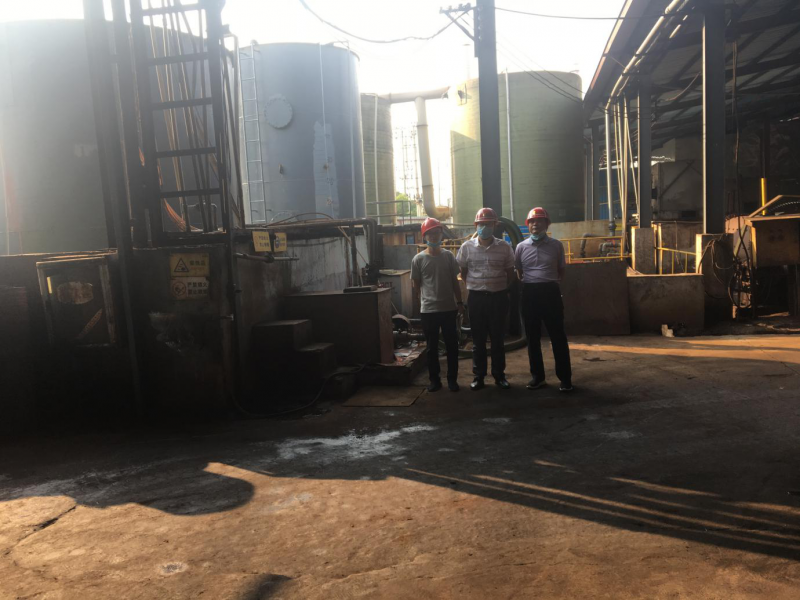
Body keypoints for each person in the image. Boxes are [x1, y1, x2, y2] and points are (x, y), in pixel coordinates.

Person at [456, 207, 515, 391]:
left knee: (498, 340)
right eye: (481, 224)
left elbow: (510, 273)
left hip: (498, 299)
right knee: (478, 340)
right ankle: (478, 376)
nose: (484, 227)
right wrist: (477, 285)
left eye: (488, 224)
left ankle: (499, 376)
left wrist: (499, 287)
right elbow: (463, 273)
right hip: (477, 299)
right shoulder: (467, 247)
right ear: (476, 225)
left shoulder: (504, 247)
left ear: (495, 225)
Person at [515, 207, 573, 392]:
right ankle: (537, 377)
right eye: (532, 221)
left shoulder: (556, 246)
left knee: (558, 336)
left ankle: (565, 379)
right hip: (529, 293)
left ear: (546, 224)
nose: (535, 224)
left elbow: (561, 270)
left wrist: (548, 283)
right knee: (532, 338)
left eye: (539, 221)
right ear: (528, 225)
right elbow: (519, 271)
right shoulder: (521, 247)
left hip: (550, 293)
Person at [411, 217, 464, 393]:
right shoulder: (418, 259)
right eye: (430, 233)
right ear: (425, 236)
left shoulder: (448, 256)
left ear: (441, 234)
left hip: (448, 309)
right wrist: (421, 304)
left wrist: (460, 302)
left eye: (436, 233)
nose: (434, 236)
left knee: (452, 347)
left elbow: (455, 282)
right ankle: (435, 381)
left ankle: (452, 380)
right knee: (431, 348)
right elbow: (416, 286)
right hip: (428, 311)